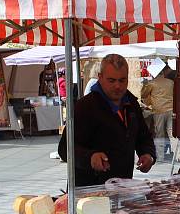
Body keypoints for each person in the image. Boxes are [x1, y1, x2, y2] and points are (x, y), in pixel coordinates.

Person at [58, 54, 156, 186]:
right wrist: (90, 158)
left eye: (122, 80)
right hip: (90, 189)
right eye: (111, 80)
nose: (117, 86)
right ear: (100, 77)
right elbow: (65, 149)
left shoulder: (132, 104)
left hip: (122, 186)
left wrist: (148, 154)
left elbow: (143, 136)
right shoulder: (85, 106)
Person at [141, 66, 178, 160]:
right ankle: (178, 155)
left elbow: (143, 95)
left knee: (159, 134)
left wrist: (144, 85)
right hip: (171, 109)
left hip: (159, 111)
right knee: (172, 133)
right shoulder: (171, 82)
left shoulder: (151, 83)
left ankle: (160, 156)